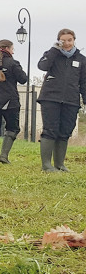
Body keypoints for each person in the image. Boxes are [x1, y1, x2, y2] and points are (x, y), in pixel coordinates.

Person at [36, 29, 86, 172]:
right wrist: (54, 49)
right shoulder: (52, 55)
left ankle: (59, 164)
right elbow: (42, 66)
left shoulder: (81, 59)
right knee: (50, 130)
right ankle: (46, 165)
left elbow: (84, 82)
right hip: (50, 98)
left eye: (70, 40)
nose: (67, 43)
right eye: (63, 40)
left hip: (71, 100)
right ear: (59, 41)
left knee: (65, 132)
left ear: (74, 40)